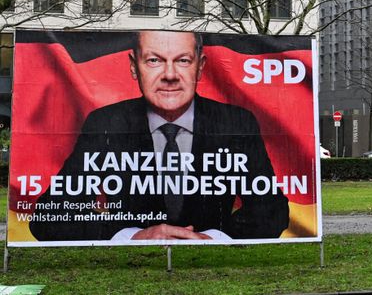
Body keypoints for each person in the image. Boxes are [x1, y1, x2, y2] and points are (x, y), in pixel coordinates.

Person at [29, 30, 289, 242]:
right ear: (134, 67)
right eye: (154, 60)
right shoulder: (107, 123)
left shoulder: (236, 122)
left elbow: (272, 213)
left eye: (183, 60)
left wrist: (213, 239)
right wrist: (131, 237)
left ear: (200, 67)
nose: (169, 75)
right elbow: (49, 217)